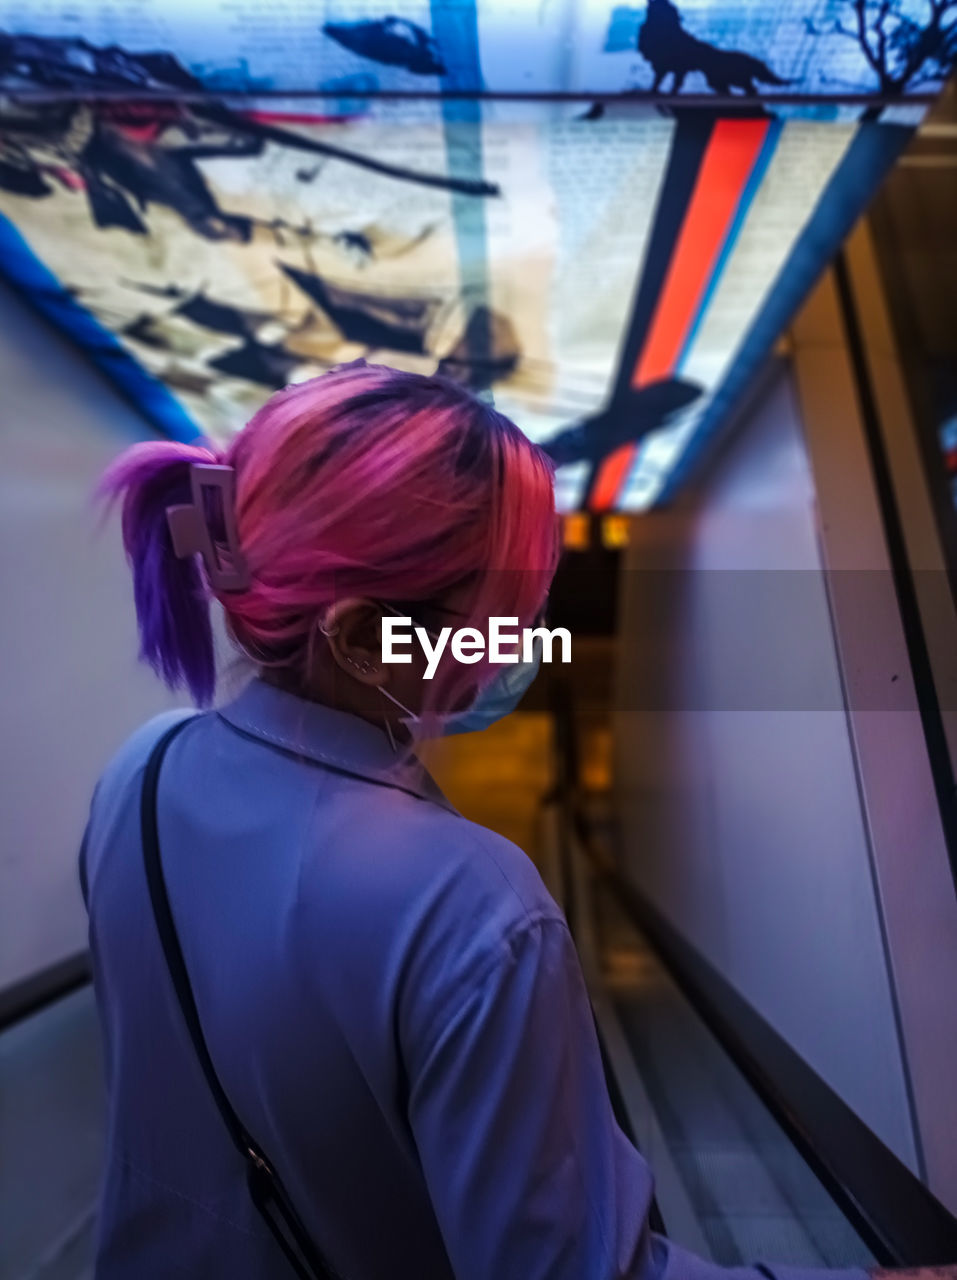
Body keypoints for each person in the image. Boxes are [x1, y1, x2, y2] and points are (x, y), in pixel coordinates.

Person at [80, 362, 884, 1279]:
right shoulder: (473, 907)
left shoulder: (136, 772)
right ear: (354, 636)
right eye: (499, 618)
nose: (522, 643)